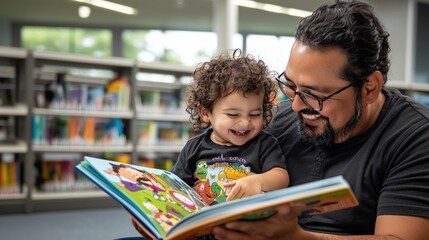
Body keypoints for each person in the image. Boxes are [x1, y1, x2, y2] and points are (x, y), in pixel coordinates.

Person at [211, 0, 429, 239]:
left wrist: (293, 237)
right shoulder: (275, 123)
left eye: (313, 94)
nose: (295, 105)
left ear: (369, 87)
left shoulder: (416, 137)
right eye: (291, 85)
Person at [170, 48, 289, 205]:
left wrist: (259, 181)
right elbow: (174, 185)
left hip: (249, 223)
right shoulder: (194, 147)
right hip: (204, 224)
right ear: (205, 112)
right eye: (233, 115)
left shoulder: (264, 144)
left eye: (254, 114)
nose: (245, 123)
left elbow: (281, 177)